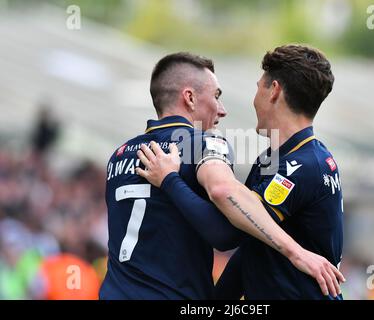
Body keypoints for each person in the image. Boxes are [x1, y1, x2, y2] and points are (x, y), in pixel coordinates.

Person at [100, 52, 343, 300]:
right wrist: (297, 253)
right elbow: (231, 230)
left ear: (275, 92)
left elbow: (244, 232)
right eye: (217, 96)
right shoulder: (208, 144)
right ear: (190, 98)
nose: (223, 110)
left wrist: (171, 181)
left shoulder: (120, 155)